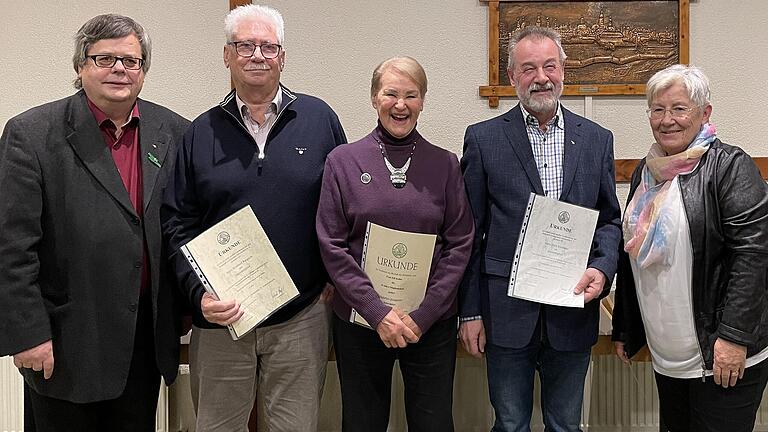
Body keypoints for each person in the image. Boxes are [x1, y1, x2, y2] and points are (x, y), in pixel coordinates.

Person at [161, 4, 346, 431]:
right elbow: (177, 224)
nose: (257, 55)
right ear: (227, 55)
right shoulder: (200, 133)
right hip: (222, 320)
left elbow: (343, 207)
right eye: (245, 45)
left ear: (283, 55)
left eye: (268, 46)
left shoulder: (319, 120)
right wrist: (198, 295)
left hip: (302, 318)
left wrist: (335, 279)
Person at [0, 14, 189, 431]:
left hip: (144, 339)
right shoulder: (32, 134)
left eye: (131, 60)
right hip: (67, 342)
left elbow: (186, 228)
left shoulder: (174, 131)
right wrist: (28, 333)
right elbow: (12, 247)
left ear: (144, 70)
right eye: (104, 58)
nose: (119, 69)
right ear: (80, 66)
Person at [459, 26, 622, 431]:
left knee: (565, 424)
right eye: (528, 68)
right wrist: (470, 311)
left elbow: (609, 221)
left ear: (564, 70)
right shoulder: (483, 139)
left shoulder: (597, 140)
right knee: (511, 422)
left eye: (549, 66)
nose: (541, 77)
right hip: (505, 312)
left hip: (572, 311)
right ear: (512, 77)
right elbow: (468, 234)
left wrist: (602, 268)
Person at [316, 56, 474, 431]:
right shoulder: (342, 162)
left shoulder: (446, 164)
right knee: (362, 422)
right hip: (361, 321)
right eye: (390, 93)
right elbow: (332, 245)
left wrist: (423, 315)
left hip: (429, 322)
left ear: (422, 101)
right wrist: (376, 311)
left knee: (434, 423)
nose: (400, 104)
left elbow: (460, 242)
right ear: (374, 98)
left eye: (411, 95)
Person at [612, 64, 768, 432]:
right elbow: (633, 254)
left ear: (704, 113)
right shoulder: (648, 172)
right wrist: (626, 327)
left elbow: (754, 258)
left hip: (721, 358)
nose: (668, 120)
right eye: (658, 109)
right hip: (669, 358)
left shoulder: (731, 167)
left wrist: (733, 338)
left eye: (679, 108)